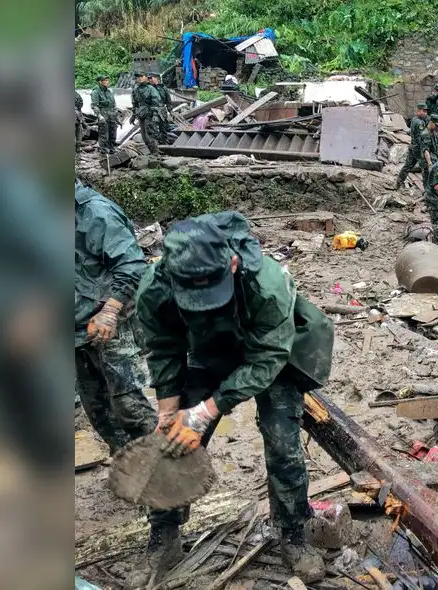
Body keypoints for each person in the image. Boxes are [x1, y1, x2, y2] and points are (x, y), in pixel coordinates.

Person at [131, 212, 333, 585]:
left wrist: (207, 411)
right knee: (171, 443)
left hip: (269, 354)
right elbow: (162, 348)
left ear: (233, 263)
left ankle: (292, 534)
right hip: (207, 351)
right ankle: (164, 537)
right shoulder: (154, 287)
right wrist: (170, 409)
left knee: (282, 445)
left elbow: (268, 358)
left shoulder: (268, 283)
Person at [75, 184, 157, 456]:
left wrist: (109, 311)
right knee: (98, 410)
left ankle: (170, 476)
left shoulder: (95, 213)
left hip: (111, 323)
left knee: (129, 407)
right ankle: (133, 469)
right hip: (76, 329)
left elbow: (131, 265)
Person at [395, 102, 429, 189]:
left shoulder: (414, 119)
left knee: (408, 165)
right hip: (419, 148)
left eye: (426, 111)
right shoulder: (419, 122)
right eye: (423, 111)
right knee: (424, 168)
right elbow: (423, 137)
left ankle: (399, 182)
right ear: (418, 111)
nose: (425, 113)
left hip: (413, 146)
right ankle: (427, 188)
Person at [131, 71, 162, 153]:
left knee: (150, 134)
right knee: (144, 136)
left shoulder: (151, 88)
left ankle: (155, 152)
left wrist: (155, 114)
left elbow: (156, 102)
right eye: (138, 77)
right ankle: (152, 152)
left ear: (145, 77)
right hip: (141, 113)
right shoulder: (136, 89)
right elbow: (135, 103)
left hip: (150, 113)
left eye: (141, 76)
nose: (139, 78)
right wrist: (133, 115)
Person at [91, 75, 119, 153]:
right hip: (103, 114)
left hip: (112, 115)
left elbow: (113, 103)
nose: (107, 82)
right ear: (100, 82)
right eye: (105, 80)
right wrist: (99, 116)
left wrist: (116, 113)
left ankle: (112, 149)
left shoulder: (109, 91)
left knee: (113, 132)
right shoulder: (95, 92)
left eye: (107, 80)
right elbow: (94, 105)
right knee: (104, 134)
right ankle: (103, 151)